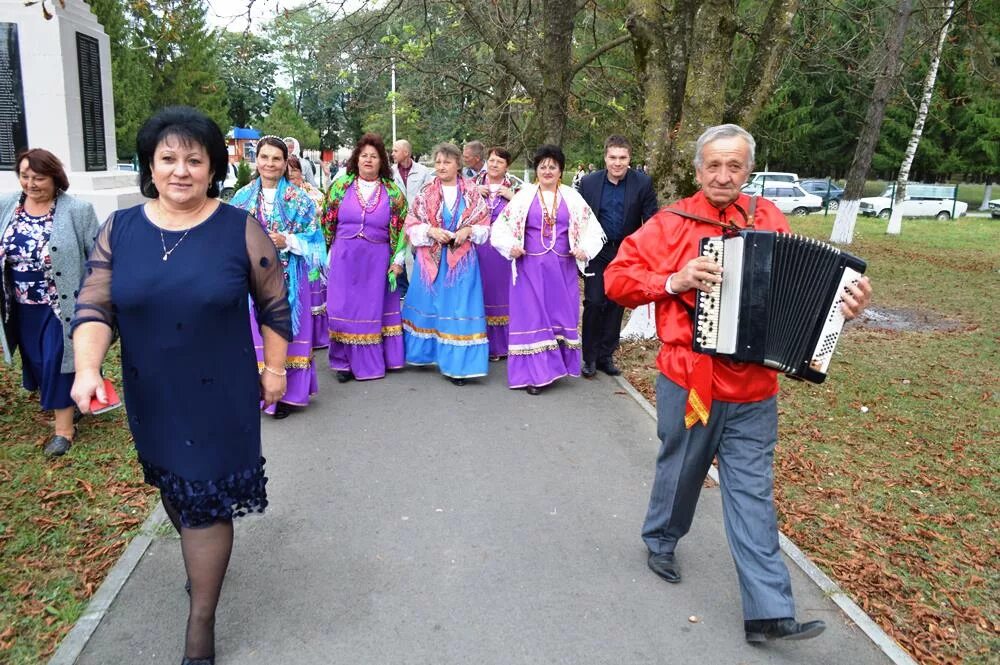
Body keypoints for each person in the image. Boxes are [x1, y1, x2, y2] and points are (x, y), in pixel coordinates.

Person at [604, 124, 873, 644]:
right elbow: (616, 279)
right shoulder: (668, 224)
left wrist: (844, 307)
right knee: (682, 469)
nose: (724, 176)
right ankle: (661, 538)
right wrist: (671, 281)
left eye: (735, 167)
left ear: (748, 171)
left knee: (752, 494)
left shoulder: (768, 218)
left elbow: (805, 292)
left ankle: (768, 611)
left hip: (755, 390)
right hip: (692, 383)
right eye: (714, 165)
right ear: (698, 169)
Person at [70, 106, 291, 665]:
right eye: (168, 158)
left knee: (204, 502)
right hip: (154, 393)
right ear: (150, 164)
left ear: (213, 167)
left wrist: (276, 369)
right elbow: (94, 305)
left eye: (194, 159)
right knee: (175, 487)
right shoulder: (119, 230)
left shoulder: (239, 227)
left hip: (220, 394)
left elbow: (274, 305)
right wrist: (90, 368)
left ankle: (201, 623)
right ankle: (204, 575)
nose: (181, 170)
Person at [0, 149, 99, 457]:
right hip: (21, 303)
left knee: (58, 359)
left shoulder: (77, 210)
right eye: (25, 176)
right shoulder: (6, 206)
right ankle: (75, 397)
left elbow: (98, 255)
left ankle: (64, 430)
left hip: (61, 305)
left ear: (56, 178)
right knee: (39, 361)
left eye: (39, 178)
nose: (31, 183)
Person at [490, 144, 605, 395]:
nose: (547, 170)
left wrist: (584, 249)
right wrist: (511, 246)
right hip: (529, 267)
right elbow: (500, 228)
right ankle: (535, 375)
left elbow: (594, 230)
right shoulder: (524, 196)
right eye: (543, 166)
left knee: (558, 317)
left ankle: (555, 368)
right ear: (536, 170)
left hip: (561, 269)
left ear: (561, 170)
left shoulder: (572, 197)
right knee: (533, 317)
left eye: (552, 166)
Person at [231, 136, 325, 418]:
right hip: (251, 281)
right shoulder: (240, 199)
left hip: (290, 278)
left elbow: (316, 241)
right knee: (253, 333)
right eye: (264, 157)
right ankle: (255, 392)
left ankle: (288, 395)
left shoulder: (300, 199)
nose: (270, 164)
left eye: (276, 159)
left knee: (290, 333)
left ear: (285, 163)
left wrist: (288, 241)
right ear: (256, 160)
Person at [401, 142, 490, 385]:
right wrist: (430, 230)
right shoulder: (425, 193)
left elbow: (485, 225)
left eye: (447, 162)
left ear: (458, 164)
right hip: (429, 260)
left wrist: (468, 230)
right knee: (428, 303)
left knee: (459, 307)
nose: (441, 166)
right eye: (438, 162)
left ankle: (459, 366)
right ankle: (425, 354)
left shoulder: (472, 193)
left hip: (461, 262)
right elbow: (410, 225)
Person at [323, 133, 408, 382]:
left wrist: (398, 261)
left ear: (382, 161)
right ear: (356, 160)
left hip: (376, 260)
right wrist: (325, 256)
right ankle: (342, 362)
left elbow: (403, 230)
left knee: (369, 312)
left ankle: (369, 365)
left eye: (374, 156)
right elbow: (326, 222)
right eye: (364, 156)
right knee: (340, 307)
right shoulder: (340, 188)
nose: (368, 160)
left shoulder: (393, 193)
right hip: (343, 257)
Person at [577, 135, 658, 378]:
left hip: (625, 252)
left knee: (615, 303)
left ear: (629, 159)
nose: (617, 163)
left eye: (622, 158)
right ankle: (588, 357)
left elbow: (651, 220)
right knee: (594, 301)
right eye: (613, 157)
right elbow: (578, 218)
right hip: (597, 251)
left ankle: (606, 355)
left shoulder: (642, 183)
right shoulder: (589, 183)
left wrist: (645, 253)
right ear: (605, 158)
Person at [473, 146, 519, 360]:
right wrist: (473, 194)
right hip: (477, 249)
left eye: (499, 162)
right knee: (479, 292)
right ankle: (481, 343)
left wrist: (513, 198)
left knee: (501, 294)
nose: (494, 165)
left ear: (506, 166)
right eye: (491, 160)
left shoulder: (516, 188)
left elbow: (526, 216)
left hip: (501, 252)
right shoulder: (472, 185)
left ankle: (503, 344)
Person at [287, 155, 329, 350]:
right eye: (289, 171)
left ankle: (317, 335)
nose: (292, 174)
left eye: (295, 170)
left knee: (314, 289)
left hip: (310, 250)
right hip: (287, 251)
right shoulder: (282, 193)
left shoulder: (311, 194)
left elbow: (322, 211)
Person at [390, 139, 433, 297]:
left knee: (419, 252)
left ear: (406, 152)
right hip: (397, 219)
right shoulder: (390, 171)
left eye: (395, 151)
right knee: (398, 251)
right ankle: (403, 289)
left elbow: (430, 193)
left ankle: (422, 287)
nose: (392, 153)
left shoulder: (423, 171)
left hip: (418, 219)